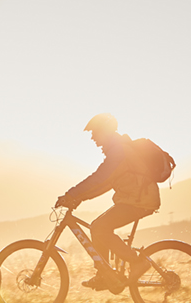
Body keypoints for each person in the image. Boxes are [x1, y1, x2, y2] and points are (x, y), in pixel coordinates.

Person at [55, 113, 160, 291]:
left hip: (139, 200)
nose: (92, 137)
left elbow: (100, 178)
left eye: (95, 132)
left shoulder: (119, 151)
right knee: (98, 227)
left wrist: (71, 194)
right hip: (135, 199)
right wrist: (78, 197)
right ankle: (104, 275)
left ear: (105, 131)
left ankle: (137, 262)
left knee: (99, 228)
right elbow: (104, 184)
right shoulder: (118, 150)